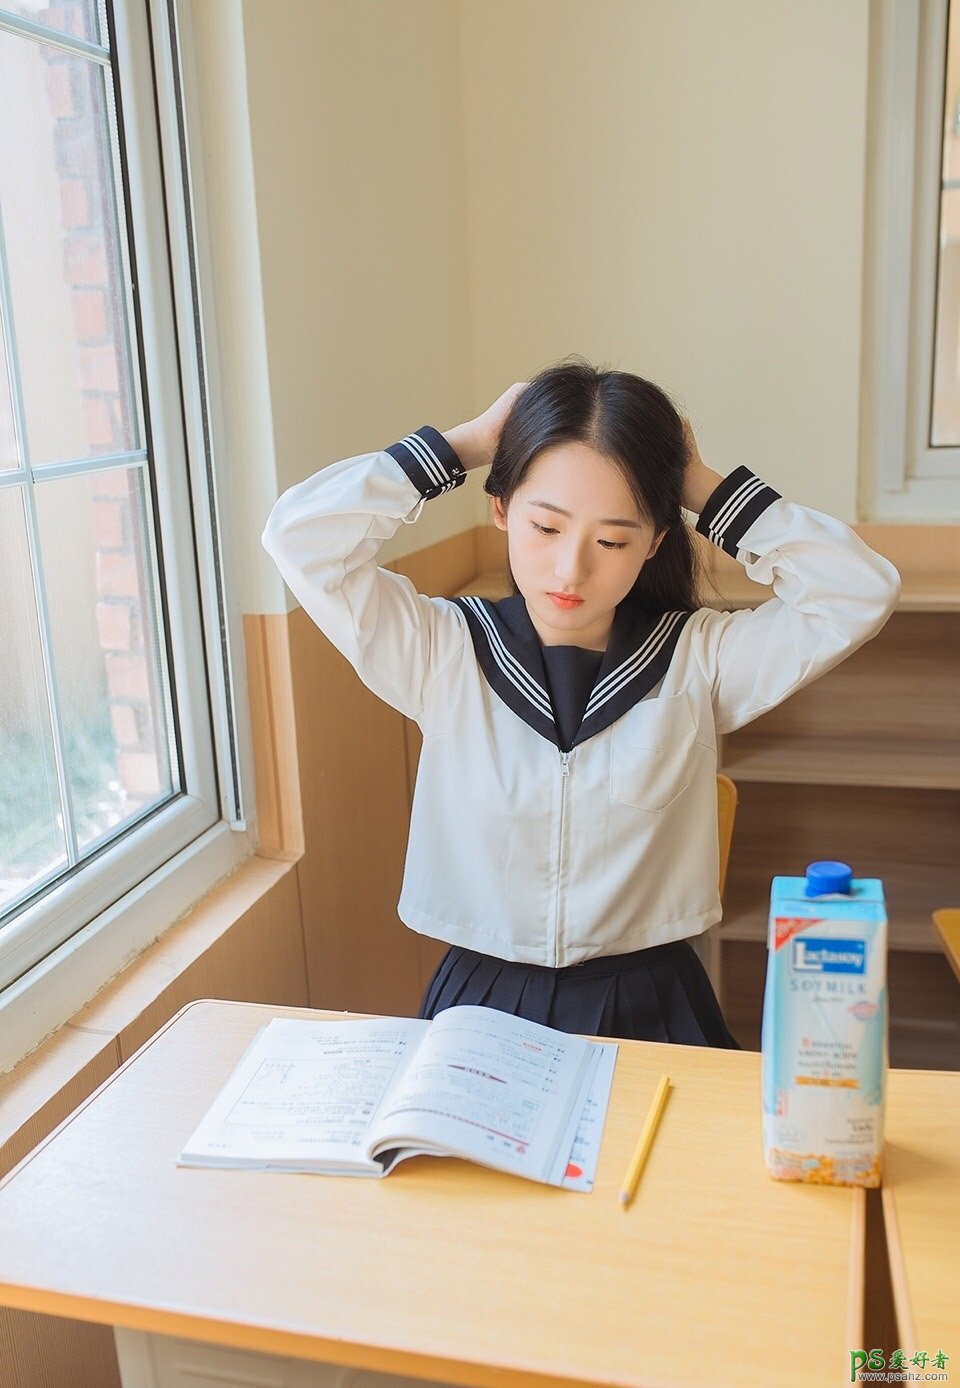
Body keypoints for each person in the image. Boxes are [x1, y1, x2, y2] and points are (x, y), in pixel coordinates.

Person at [261, 359, 901, 1048]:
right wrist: (466, 445)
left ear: (655, 541)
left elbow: (857, 590)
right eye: (546, 528)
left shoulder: (700, 659)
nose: (572, 569)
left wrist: (696, 482)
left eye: (613, 539)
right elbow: (301, 537)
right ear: (501, 509)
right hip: (479, 1004)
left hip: (655, 1004)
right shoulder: (442, 650)